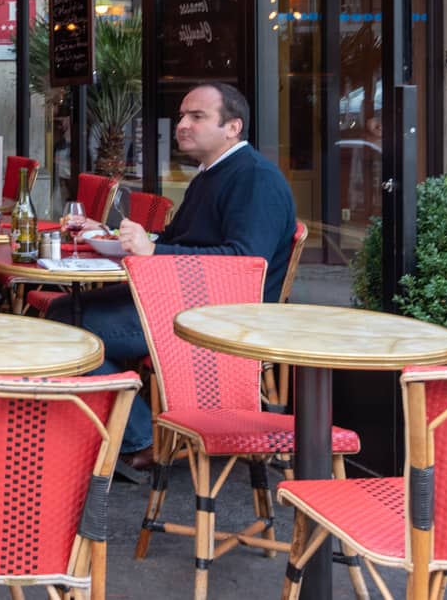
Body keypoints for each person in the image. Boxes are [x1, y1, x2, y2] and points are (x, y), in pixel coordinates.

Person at [61, 82, 297, 471]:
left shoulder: (255, 178)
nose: (182, 124)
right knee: (64, 309)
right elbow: (174, 240)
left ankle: (142, 438)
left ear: (232, 127)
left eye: (197, 116)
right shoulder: (211, 174)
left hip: (220, 318)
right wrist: (111, 235)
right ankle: (117, 427)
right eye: (182, 115)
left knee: (72, 327)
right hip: (178, 299)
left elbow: (244, 263)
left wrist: (154, 251)